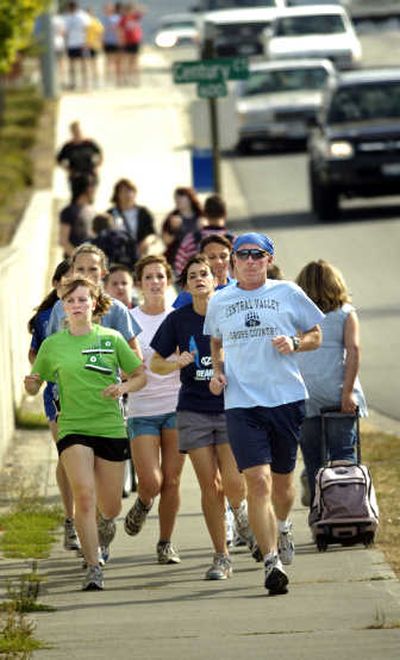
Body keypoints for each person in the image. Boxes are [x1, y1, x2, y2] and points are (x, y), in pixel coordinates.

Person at [204, 232, 324, 595]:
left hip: (285, 398)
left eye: (259, 255)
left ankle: (283, 524)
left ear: (269, 259)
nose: (251, 261)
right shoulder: (220, 300)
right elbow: (216, 340)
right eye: (244, 255)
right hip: (241, 403)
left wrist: (296, 343)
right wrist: (218, 370)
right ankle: (271, 561)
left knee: (284, 486)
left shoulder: (287, 292)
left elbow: (316, 334)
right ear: (233, 261)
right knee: (257, 481)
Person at [25, 276, 146, 591]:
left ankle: (105, 524)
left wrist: (123, 386)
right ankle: (93, 566)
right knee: (83, 495)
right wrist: (31, 383)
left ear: (94, 304)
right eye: (70, 300)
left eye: (83, 300)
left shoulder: (112, 338)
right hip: (73, 427)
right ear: (63, 306)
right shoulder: (53, 344)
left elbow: (139, 376)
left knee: (111, 506)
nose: (77, 305)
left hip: (109, 426)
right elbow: (38, 380)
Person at [150, 255, 255, 581]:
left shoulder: (230, 313)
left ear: (215, 280)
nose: (199, 279)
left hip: (229, 407)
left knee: (235, 484)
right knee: (210, 486)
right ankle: (221, 556)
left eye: (204, 274)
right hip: (193, 410)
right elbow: (155, 364)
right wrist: (177, 363)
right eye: (193, 275)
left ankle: (240, 514)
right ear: (186, 285)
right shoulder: (178, 320)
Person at [47, 243, 143, 555]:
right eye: (80, 269)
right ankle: (87, 549)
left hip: (109, 407)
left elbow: (136, 362)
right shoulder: (59, 311)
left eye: (92, 269)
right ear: (71, 271)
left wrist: (121, 385)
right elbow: (49, 357)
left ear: (102, 273)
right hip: (69, 406)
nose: (86, 274)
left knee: (108, 498)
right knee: (80, 485)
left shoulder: (116, 311)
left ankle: (104, 518)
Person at [123, 255, 185, 564]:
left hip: (177, 407)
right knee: (151, 480)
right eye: (148, 277)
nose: (155, 282)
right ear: (139, 284)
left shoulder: (180, 317)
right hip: (142, 408)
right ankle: (144, 502)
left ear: (169, 281)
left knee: (172, 481)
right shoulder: (129, 319)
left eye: (160, 276)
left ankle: (165, 542)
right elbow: (119, 362)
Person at [295, 259, 368, 505]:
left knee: (314, 458)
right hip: (337, 391)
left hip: (305, 393)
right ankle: (348, 507)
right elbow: (354, 350)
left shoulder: (297, 314)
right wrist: (348, 392)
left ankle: (319, 512)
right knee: (344, 456)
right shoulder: (346, 313)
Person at [28, 259, 72, 442]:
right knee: (65, 454)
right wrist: (42, 372)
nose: (72, 285)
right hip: (55, 395)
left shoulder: (92, 311)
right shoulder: (44, 317)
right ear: (55, 283)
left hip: (88, 396)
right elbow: (34, 352)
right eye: (67, 280)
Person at [174, 194, 234, 277]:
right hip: (228, 287)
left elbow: (179, 266)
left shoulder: (191, 239)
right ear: (225, 214)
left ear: (205, 214)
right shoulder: (235, 241)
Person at [172, 233, 233, 309]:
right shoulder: (188, 295)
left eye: (223, 256)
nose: (219, 261)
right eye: (212, 257)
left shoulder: (240, 288)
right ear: (200, 258)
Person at [108, 178, 156, 262]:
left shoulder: (143, 212)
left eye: (129, 191)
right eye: (122, 191)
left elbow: (152, 234)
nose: (126, 195)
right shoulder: (110, 214)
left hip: (139, 257)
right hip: (117, 259)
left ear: (134, 193)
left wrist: (147, 241)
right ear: (117, 195)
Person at [161, 187, 203, 267]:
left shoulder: (201, 217)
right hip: (176, 260)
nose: (178, 200)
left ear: (190, 199)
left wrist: (204, 227)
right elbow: (166, 241)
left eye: (181, 197)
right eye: (176, 198)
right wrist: (173, 229)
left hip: (197, 259)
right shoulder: (172, 217)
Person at [59, 174, 97, 257]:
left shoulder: (92, 210)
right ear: (85, 189)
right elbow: (63, 241)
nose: (94, 190)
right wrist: (78, 258)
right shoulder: (68, 211)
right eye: (92, 187)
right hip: (74, 264)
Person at [56, 120, 103, 185]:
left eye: (78, 129)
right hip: (75, 176)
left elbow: (100, 154)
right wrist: (68, 170)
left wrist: (96, 166)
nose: (77, 132)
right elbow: (58, 160)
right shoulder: (68, 146)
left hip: (90, 175)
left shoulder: (89, 143)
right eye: (74, 130)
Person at [63, 2, 90, 89]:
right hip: (71, 44)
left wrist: (87, 42)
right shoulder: (67, 17)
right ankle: (73, 83)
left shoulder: (82, 16)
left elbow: (88, 29)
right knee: (71, 64)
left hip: (81, 43)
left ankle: (85, 83)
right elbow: (65, 31)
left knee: (83, 63)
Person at [118, 2, 145, 85]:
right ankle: (127, 79)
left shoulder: (135, 17)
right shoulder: (123, 19)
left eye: (131, 10)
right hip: (127, 42)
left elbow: (143, 11)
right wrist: (121, 40)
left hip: (135, 41)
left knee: (135, 61)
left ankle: (135, 80)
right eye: (128, 10)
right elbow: (120, 30)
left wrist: (135, 4)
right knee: (126, 61)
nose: (129, 11)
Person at [101, 3, 123, 85]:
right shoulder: (104, 19)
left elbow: (120, 30)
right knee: (107, 61)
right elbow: (102, 32)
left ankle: (118, 80)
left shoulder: (117, 18)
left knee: (118, 62)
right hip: (108, 42)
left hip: (116, 42)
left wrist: (121, 41)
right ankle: (108, 80)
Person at [85, 8, 104, 88]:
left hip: (93, 45)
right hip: (87, 45)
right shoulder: (85, 22)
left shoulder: (95, 21)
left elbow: (100, 33)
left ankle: (96, 81)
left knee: (94, 64)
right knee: (89, 64)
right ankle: (91, 81)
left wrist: (100, 43)